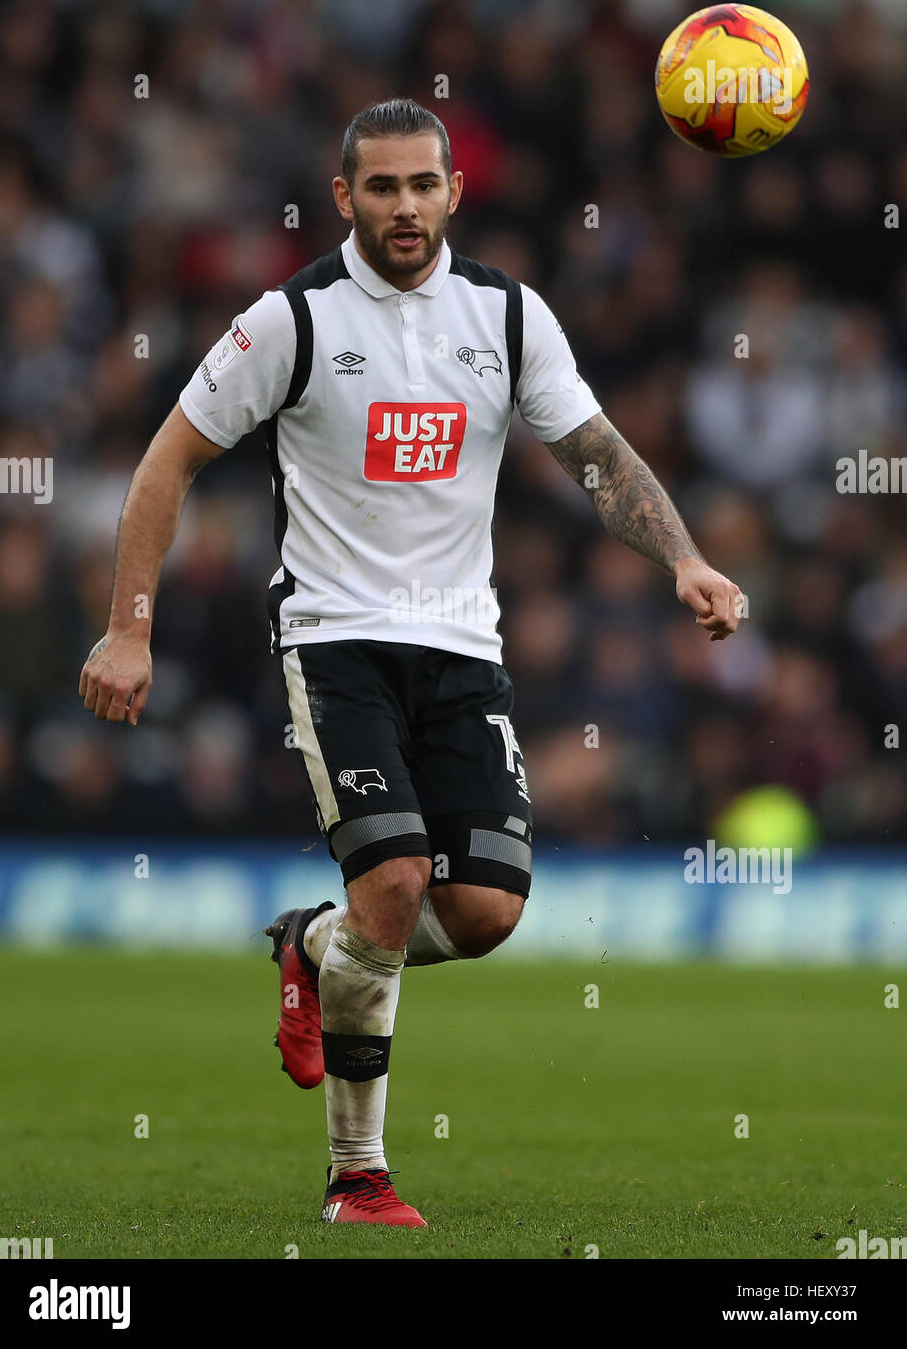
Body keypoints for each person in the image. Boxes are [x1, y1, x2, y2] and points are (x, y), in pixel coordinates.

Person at [79, 98, 742, 1228]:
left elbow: (596, 455)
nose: (403, 206)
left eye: (421, 185)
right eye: (379, 187)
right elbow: (167, 461)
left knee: (481, 909)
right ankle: (359, 1177)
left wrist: (682, 557)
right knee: (392, 883)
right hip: (335, 639)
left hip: (459, 645)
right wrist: (129, 625)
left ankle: (313, 945)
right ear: (343, 197)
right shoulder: (291, 320)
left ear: (454, 191)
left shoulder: (508, 315)